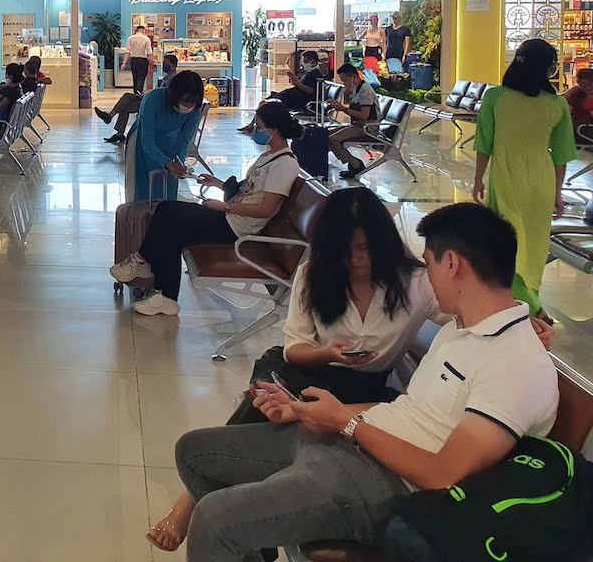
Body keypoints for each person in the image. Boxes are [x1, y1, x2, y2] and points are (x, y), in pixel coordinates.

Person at [148, 187, 558, 552]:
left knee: (216, 519)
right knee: (193, 450)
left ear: (451, 264)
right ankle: (254, 542)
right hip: (352, 433)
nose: (424, 272)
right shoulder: (461, 330)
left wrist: (348, 424)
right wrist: (313, 413)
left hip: (382, 480)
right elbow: (406, 409)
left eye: (429, 262)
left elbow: (442, 474)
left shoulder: (516, 364)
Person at [114, 100, 299, 316]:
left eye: (258, 127)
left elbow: (266, 209)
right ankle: (162, 292)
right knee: (169, 220)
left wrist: (224, 207)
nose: (254, 130)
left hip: (237, 228)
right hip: (232, 218)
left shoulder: (284, 164)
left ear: (273, 130)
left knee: (168, 214)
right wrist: (218, 183)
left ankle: (145, 265)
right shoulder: (269, 156)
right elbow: (249, 190)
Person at [473, 38, 576, 314]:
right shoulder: (556, 105)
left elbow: (484, 143)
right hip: (541, 182)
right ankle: (529, 302)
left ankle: (527, 306)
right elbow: (562, 154)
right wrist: (556, 192)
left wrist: (477, 179)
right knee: (535, 245)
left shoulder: (496, 97)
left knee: (508, 242)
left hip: (507, 179)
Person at [123, 70, 204, 203]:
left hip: (169, 142)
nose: (189, 105)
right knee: (142, 187)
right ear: (175, 95)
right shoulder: (152, 100)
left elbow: (184, 139)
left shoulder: (195, 109)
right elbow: (147, 142)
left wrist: (179, 162)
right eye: (185, 100)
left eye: (193, 102)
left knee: (168, 188)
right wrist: (167, 162)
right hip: (141, 142)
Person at [237, 51, 325, 133]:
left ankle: (256, 126)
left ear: (313, 62)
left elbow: (310, 90)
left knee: (265, 104)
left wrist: (297, 82)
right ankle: (254, 125)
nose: (304, 64)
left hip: (300, 101)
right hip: (293, 97)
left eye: (306, 62)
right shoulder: (309, 73)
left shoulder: (315, 75)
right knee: (265, 102)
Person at [326, 62, 379, 178]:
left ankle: (356, 164)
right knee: (328, 134)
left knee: (333, 139)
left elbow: (364, 116)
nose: (344, 84)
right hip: (358, 125)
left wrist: (343, 109)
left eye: (345, 80)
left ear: (353, 77)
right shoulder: (357, 89)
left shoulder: (365, 91)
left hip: (367, 128)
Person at [562, 66, 593, 143]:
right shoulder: (576, 94)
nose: (587, 88)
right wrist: (570, 92)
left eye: (589, 85)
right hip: (578, 131)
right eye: (582, 86)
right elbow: (561, 103)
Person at [122, 24, 153, 94]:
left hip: (134, 60)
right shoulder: (146, 39)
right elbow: (149, 52)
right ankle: (139, 92)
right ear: (143, 30)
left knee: (135, 77)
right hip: (143, 60)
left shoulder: (130, 38)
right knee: (141, 77)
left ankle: (135, 93)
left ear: (136, 30)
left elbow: (128, 51)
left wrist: (124, 62)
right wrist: (151, 63)